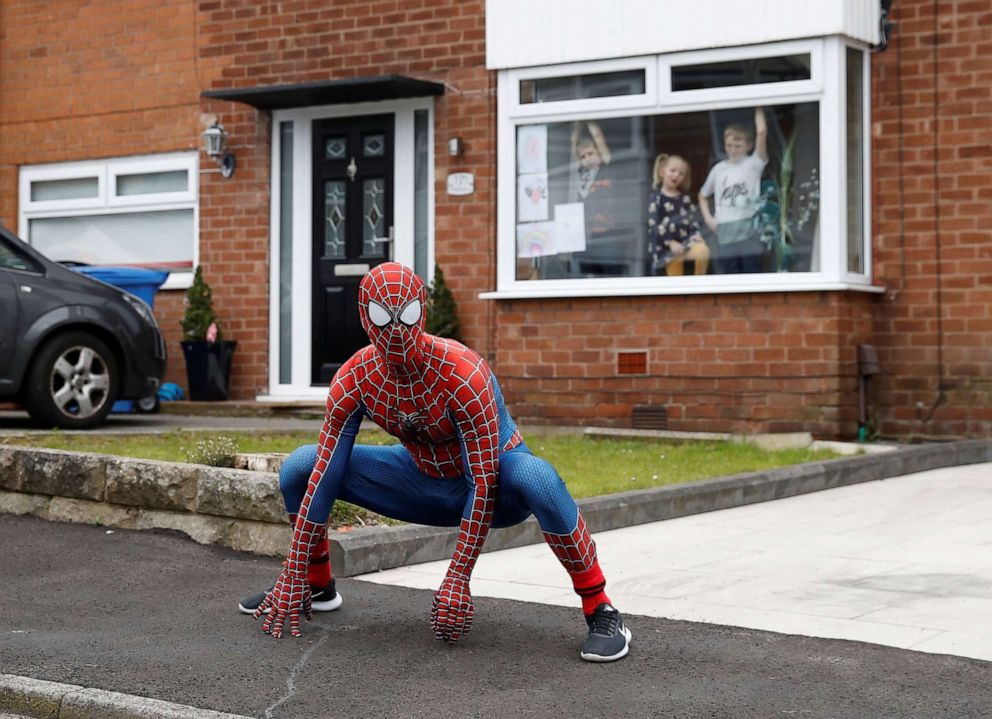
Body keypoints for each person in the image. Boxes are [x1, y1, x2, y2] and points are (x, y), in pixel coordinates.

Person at [239, 262, 632, 663]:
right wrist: (291, 571)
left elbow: (484, 480)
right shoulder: (354, 377)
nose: (396, 329)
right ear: (363, 317)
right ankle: (316, 585)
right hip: (420, 480)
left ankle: (601, 608)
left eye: (406, 314)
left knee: (536, 476)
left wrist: (458, 577)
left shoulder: (463, 372)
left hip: (492, 485)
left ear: (422, 310)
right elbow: (325, 471)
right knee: (300, 465)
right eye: (381, 316)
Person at [698, 107, 768, 274]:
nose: (732, 150)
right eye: (729, 145)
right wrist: (709, 219)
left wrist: (759, 106)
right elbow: (702, 195)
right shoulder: (719, 169)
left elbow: (762, 132)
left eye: (738, 145)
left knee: (751, 273)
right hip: (725, 230)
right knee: (729, 276)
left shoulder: (753, 164)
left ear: (749, 145)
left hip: (748, 230)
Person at [647, 153, 709, 276]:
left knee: (702, 250)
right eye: (673, 170)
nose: (676, 175)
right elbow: (653, 225)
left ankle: (700, 283)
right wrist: (670, 243)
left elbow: (693, 220)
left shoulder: (684, 198)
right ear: (662, 172)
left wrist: (696, 234)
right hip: (667, 248)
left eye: (681, 174)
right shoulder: (656, 198)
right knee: (675, 280)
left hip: (687, 243)